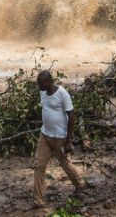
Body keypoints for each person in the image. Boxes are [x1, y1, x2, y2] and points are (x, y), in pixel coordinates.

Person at [33, 70, 86, 208]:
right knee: (39, 164)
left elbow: (72, 115)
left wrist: (68, 140)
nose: (38, 86)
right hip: (45, 135)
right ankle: (38, 200)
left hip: (59, 137)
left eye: (40, 84)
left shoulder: (62, 94)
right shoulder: (42, 93)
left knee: (64, 163)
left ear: (48, 82)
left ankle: (79, 184)